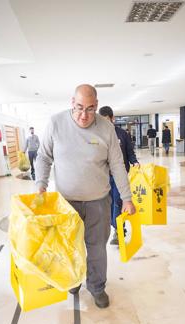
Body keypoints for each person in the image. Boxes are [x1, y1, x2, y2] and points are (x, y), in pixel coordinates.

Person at [35, 84, 135, 309]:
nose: (83, 115)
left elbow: (117, 164)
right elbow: (43, 157)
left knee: (97, 248)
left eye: (90, 109)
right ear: (72, 102)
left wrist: (127, 198)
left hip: (98, 201)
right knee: (69, 246)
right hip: (66, 202)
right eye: (79, 108)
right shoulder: (56, 123)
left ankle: (97, 286)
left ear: (96, 106)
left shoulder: (106, 128)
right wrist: (41, 184)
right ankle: (72, 280)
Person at [98, 106, 139, 246]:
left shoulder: (122, 134)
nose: (105, 124)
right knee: (108, 203)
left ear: (112, 118)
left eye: (107, 120)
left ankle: (118, 229)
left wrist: (134, 162)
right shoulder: (98, 135)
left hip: (119, 175)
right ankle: (115, 226)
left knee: (117, 201)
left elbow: (130, 151)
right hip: (104, 176)